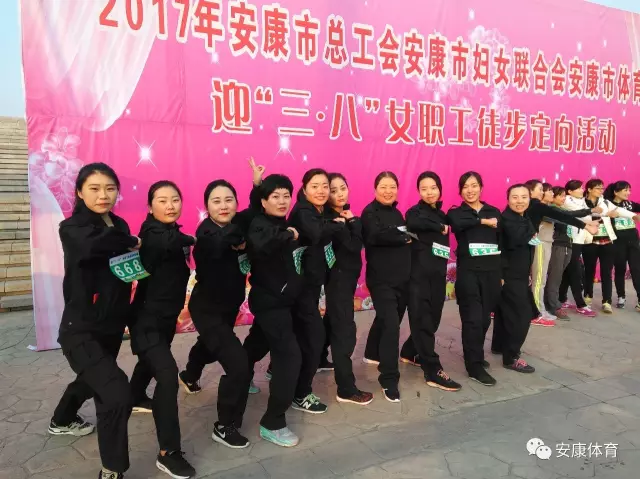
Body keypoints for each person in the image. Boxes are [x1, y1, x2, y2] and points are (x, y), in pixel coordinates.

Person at [48, 163, 139, 479]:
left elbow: (127, 269)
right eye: (95, 189)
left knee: (91, 378)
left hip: (111, 326)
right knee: (115, 393)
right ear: (79, 192)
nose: (104, 195)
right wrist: (129, 240)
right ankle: (112, 469)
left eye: (110, 188)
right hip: (80, 328)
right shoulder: (72, 228)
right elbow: (92, 245)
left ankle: (62, 419)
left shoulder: (120, 224)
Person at [177, 159, 264, 449]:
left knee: (209, 345)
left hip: (229, 305)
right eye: (216, 201)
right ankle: (225, 426)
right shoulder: (206, 233)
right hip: (207, 308)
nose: (224, 206)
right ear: (207, 207)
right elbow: (217, 244)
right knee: (238, 364)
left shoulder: (237, 222)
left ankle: (189, 374)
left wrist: (257, 185)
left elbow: (253, 210)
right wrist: (240, 241)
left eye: (229, 200)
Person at [128, 181, 196, 478]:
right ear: (150, 206)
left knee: (149, 361)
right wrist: (193, 238)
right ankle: (169, 451)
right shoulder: (152, 234)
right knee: (167, 375)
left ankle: (133, 395)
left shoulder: (172, 234)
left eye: (175, 199)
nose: (170, 205)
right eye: (162, 200)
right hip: (146, 320)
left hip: (166, 319)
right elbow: (165, 242)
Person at [241, 174, 304, 447]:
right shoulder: (260, 224)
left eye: (286, 195)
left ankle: (241, 376)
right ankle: (273, 422)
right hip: (270, 302)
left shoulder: (282, 223)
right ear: (263, 201)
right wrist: (288, 234)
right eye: (275, 196)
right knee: (289, 357)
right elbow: (263, 243)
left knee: (258, 342)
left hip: (284, 300)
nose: (282, 201)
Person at [286, 168, 345, 413]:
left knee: (295, 337)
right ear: (304, 189)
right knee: (314, 338)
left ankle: (275, 373)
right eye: (315, 186)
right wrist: (337, 223)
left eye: (325, 186)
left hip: (308, 287)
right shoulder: (303, 211)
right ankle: (300, 394)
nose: (321, 191)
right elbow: (317, 232)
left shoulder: (318, 211)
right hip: (298, 288)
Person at [405, 171, 461, 391]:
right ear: (419, 191)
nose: (429, 192)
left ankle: (409, 351)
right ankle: (432, 370)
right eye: (424, 188)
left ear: (440, 189)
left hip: (438, 275)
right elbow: (413, 222)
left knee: (433, 320)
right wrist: (439, 227)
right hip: (418, 276)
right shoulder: (415, 212)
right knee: (422, 321)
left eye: (433, 188)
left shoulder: (443, 214)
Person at [320, 173, 374, 405]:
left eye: (343, 188)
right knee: (344, 331)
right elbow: (354, 246)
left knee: (331, 321)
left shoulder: (345, 216)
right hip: (338, 280)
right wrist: (353, 222)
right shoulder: (332, 221)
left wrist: (352, 220)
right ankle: (346, 388)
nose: (339, 194)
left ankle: (318, 358)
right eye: (333, 190)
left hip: (346, 279)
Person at [361, 172, 411, 402]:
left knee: (388, 319)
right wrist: (403, 237)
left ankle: (372, 352)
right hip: (381, 281)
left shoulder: (397, 213)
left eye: (392, 187)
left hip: (401, 279)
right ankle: (389, 378)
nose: (388, 191)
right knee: (391, 325)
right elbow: (374, 236)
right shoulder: (369, 213)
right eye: (383, 186)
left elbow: (396, 235)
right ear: (375, 189)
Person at [447, 171, 501, 386]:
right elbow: (458, 224)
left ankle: (474, 352)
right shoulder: (456, 212)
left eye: (474, 185)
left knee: (485, 319)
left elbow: (501, 239)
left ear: (481, 187)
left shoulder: (494, 211)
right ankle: (474, 366)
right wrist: (484, 222)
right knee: (472, 319)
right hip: (468, 272)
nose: (470, 190)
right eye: (465, 186)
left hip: (491, 272)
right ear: (460, 191)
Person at [525, 179, 599, 326]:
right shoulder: (537, 206)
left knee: (540, 280)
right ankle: (537, 312)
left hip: (544, 244)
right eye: (542, 189)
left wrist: (586, 223)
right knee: (539, 280)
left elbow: (563, 215)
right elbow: (563, 216)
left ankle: (539, 309)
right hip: (540, 244)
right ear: (531, 191)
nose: (546, 192)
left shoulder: (539, 207)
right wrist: (586, 224)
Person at [491, 185, 537, 373]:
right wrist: (501, 275)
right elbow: (501, 248)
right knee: (522, 316)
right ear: (508, 199)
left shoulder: (523, 217)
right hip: (509, 275)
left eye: (524, 197)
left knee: (504, 313)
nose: (520, 201)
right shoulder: (507, 221)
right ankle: (511, 357)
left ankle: (499, 346)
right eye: (515, 197)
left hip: (520, 274)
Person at [583, 178, 639, 313]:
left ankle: (607, 301)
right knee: (590, 270)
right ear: (589, 189)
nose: (600, 191)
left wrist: (633, 216)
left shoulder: (605, 202)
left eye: (602, 188)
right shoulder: (582, 202)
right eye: (597, 188)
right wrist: (606, 213)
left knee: (608, 272)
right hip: (592, 241)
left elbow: (620, 211)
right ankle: (589, 296)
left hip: (609, 242)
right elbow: (583, 216)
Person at [544, 186, 598, 320]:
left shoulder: (561, 210)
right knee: (555, 277)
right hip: (557, 245)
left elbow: (571, 217)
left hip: (567, 245)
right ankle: (554, 306)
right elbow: (570, 216)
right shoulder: (551, 209)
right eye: (560, 196)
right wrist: (590, 212)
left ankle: (557, 301)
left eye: (564, 196)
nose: (563, 199)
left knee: (560, 277)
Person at [558, 180, 600, 317]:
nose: (582, 190)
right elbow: (580, 215)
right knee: (575, 271)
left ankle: (561, 299)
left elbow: (592, 214)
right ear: (570, 191)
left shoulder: (583, 201)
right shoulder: (567, 200)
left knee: (569, 270)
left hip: (580, 239)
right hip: (571, 240)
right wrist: (592, 220)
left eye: (582, 188)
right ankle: (580, 304)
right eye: (579, 188)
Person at [604, 181, 640, 311]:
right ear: (616, 192)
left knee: (636, 269)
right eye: (625, 190)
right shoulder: (607, 204)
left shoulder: (629, 204)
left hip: (633, 241)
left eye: (629, 190)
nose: (628, 193)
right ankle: (621, 296)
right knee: (620, 269)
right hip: (618, 242)